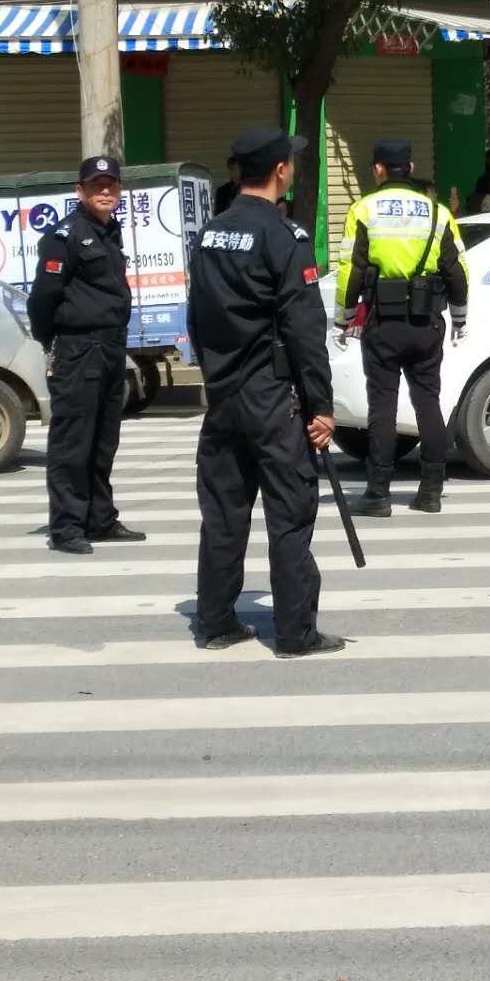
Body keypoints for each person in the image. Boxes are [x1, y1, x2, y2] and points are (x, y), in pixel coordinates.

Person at [188, 123, 342, 656]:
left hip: (223, 394)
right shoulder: (284, 237)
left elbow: (196, 316)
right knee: (290, 512)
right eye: (291, 161)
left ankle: (215, 621)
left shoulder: (209, 235)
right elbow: (305, 329)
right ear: (280, 170)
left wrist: (214, 374)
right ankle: (296, 633)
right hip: (273, 398)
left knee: (223, 512)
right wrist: (321, 405)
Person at [335, 140, 469, 517]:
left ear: (378, 169)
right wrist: (460, 317)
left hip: (384, 323)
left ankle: (378, 493)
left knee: (383, 405)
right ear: (409, 168)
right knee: (428, 402)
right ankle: (431, 491)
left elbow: (351, 269)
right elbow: (456, 270)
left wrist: (343, 317)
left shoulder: (363, 210)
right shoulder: (437, 213)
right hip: (427, 323)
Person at [27, 156, 145, 555]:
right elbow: (43, 297)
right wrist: (51, 340)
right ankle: (67, 527)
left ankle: (100, 519)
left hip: (110, 346)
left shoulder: (110, 232)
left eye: (111, 185)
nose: (105, 191)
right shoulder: (65, 236)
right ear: (80, 192)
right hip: (79, 348)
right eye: (96, 185)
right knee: (73, 441)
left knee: (103, 440)